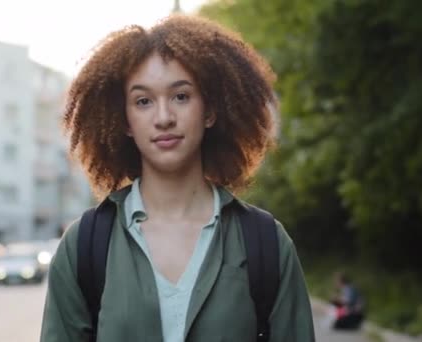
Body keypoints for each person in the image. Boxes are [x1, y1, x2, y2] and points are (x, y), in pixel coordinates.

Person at [40, 14, 315, 342]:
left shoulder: (265, 243)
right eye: (143, 101)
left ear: (210, 111)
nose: (164, 117)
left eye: (181, 96)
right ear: (125, 121)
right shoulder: (84, 246)